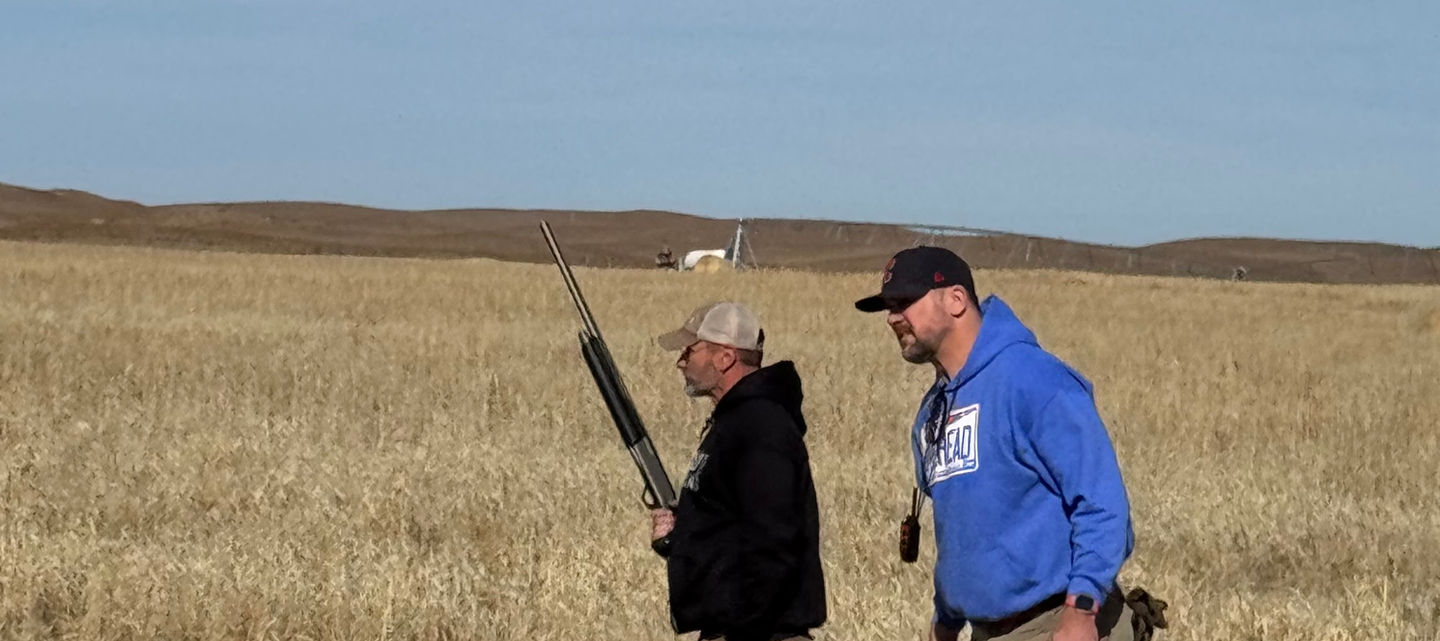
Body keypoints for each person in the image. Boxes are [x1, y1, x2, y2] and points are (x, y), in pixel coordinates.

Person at [854, 246, 1141, 641]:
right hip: (986, 630)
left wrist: (1082, 612)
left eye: (905, 302)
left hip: (1055, 624)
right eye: (888, 307)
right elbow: (960, 528)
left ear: (955, 300)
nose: (892, 318)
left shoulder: (1035, 381)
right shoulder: (932, 413)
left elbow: (1103, 505)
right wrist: (947, 618)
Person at [649, 301, 827, 641]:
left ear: (725, 357)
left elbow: (774, 541)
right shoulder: (735, 422)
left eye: (690, 350)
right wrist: (678, 538)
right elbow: (731, 529)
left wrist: (746, 629)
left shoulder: (760, 426)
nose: (680, 361)